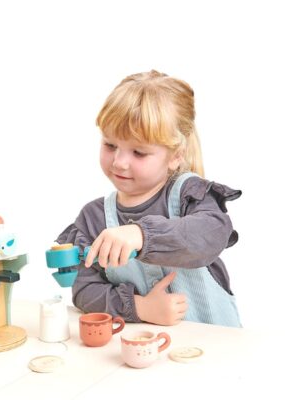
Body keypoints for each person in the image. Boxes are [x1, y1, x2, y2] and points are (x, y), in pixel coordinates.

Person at [56, 70, 241, 327]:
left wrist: (142, 235)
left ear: (176, 155)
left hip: (215, 344)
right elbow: (84, 291)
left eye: (139, 152)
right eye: (110, 145)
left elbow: (212, 233)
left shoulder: (188, 194)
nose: (119, 162)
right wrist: (139, 307)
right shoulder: (93, 218)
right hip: (143, 347)